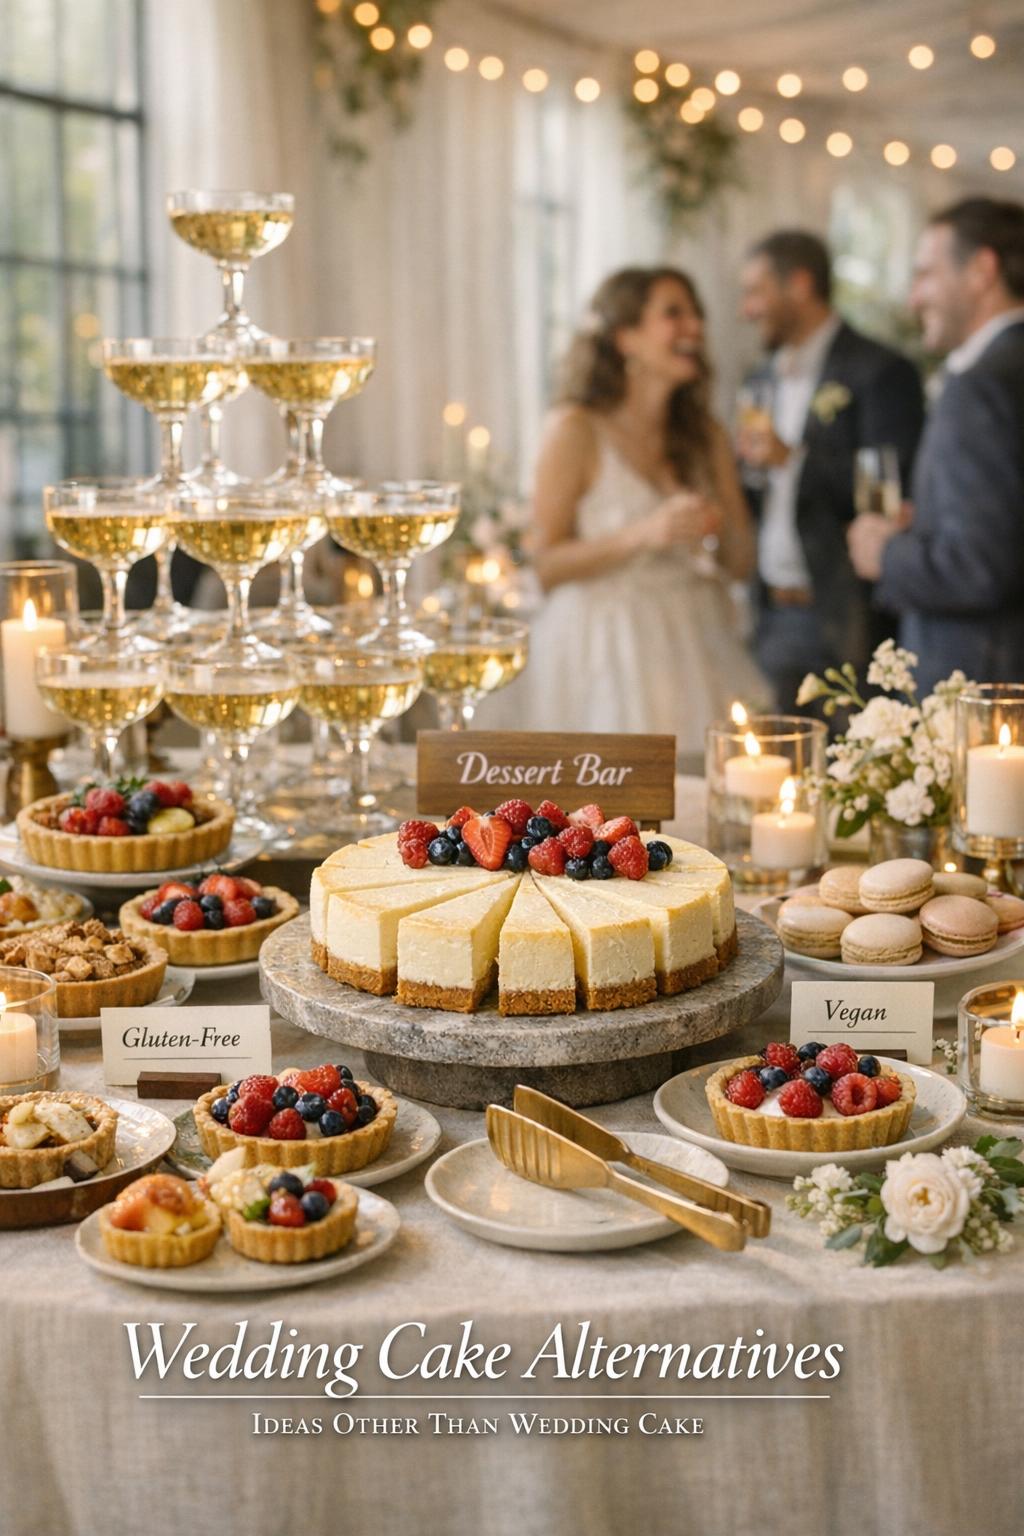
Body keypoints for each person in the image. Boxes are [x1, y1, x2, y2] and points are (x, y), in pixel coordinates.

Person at [483, 266, 767, 751]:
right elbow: (543, 565)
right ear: (625, 338)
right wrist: (644, 533)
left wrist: (715, 527)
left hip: (693, 639)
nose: (695, 326)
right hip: (601, 648)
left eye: (696, 313)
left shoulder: (707, 436)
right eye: (673, 313)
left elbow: (740, 564)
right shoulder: (575, 429)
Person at [738, 230, 925, 710]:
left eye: (756, 291)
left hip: (847, 616)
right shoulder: (760, 378)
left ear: (800, 285)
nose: (747, 309)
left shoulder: (880, 371)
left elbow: (893, 490)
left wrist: (793, 459)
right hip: (771, 611)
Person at [848, 198, 1024, 693]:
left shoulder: (981, 384)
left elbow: (981, 567)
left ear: (982, 270)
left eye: (925, 274)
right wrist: (927, 524)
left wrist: (886, 554)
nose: (913, 299)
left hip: (984, 682)